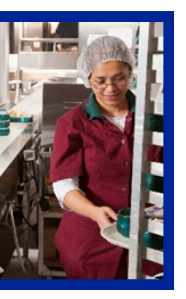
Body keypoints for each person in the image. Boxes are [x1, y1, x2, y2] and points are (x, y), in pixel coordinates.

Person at [50, 35, 163, 279]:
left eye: (119, 78)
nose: (110, 89)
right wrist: (94, 212)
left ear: (131, 73)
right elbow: (63, 185)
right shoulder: (71, 124)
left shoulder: (157, 119)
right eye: (100, 81)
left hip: (150, 241)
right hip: (91, 245)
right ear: (87, 79)